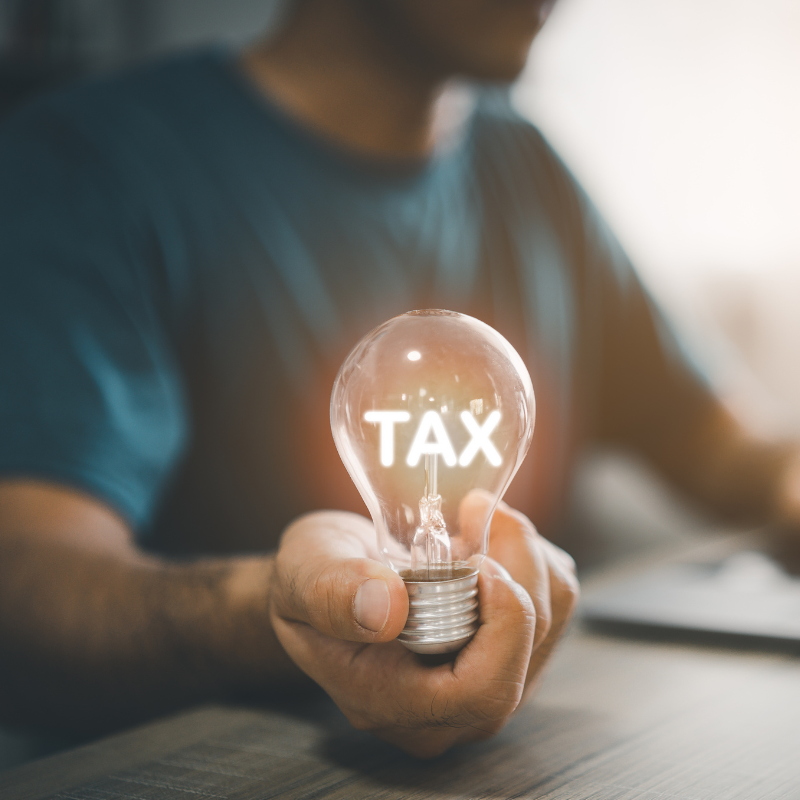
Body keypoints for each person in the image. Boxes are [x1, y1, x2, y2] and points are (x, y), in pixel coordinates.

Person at [0, 0, 797, 759]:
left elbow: (710, 436)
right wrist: (282, 606)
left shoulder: (527, 165)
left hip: (528, 759)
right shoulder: (85, 164)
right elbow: (22, 587)